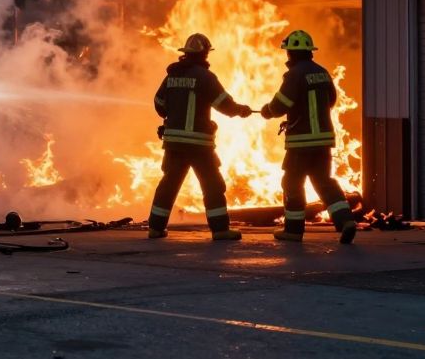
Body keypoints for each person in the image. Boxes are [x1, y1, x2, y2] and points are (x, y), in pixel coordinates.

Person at [147, 33, 253, 241]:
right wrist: (241, 110)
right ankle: (221, 230)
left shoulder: (172, 76)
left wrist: (173, 114)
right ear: (204, 54)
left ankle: (155, 228)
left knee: (168, 185)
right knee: (212, 185)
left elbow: (159, 104)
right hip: (198, 144)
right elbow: (224, 104)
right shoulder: (205, 77)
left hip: (174, 142)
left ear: (186, 53)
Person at [261, 29, 357, 244]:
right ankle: (345, 220)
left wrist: (268, 111)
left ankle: (293, 231)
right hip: (324, 140)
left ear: (292, 53)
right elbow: (331, 100)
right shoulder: (322, 73)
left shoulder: (293, 75)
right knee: (325, 181)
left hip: (301, 142)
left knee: (292, 182)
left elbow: (281, 104)